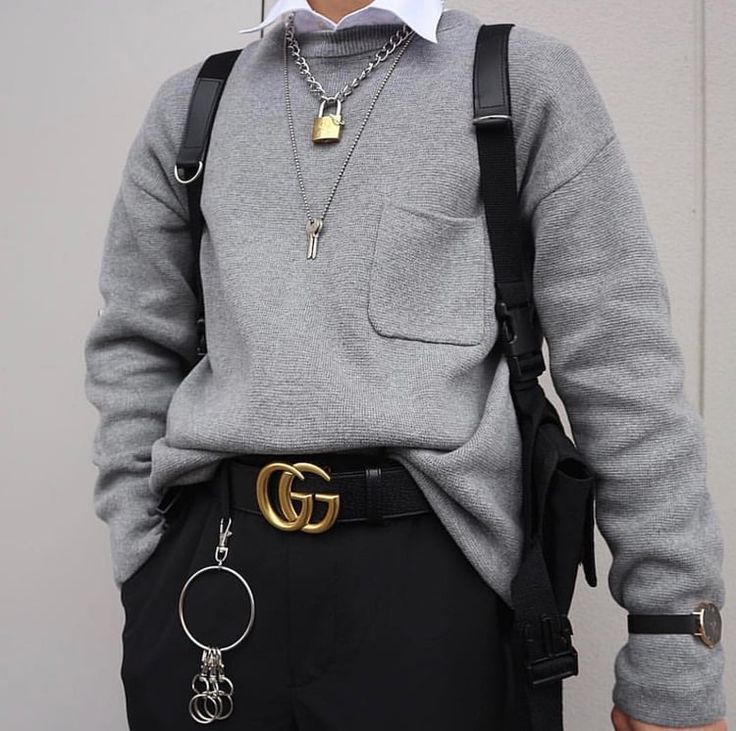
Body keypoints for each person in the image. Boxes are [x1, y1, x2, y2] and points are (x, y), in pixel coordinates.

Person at [83, 1, 727, 729]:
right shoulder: (195, 103)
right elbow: (134, 341)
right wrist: (144, 553)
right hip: (213, 570)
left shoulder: (518, 78)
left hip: (436, 586)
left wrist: (676, 642)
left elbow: (622, 367)